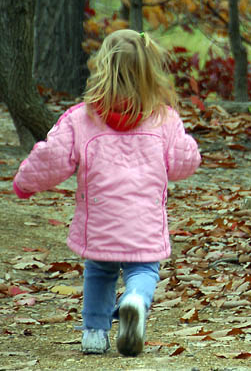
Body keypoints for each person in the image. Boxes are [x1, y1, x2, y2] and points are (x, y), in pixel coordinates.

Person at [12, 29, 201, 357]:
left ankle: (95, 333)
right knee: (143, 270)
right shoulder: (164, 119)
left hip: (99, 221)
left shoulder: (80, 119)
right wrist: (186, 146)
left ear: (102, 69)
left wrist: (25, 182)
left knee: (100, 272)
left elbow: (51, 158)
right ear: (148, 72)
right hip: (144, 222)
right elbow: (184, 163)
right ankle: (134, 300)